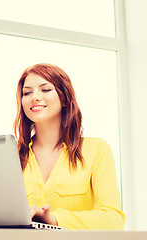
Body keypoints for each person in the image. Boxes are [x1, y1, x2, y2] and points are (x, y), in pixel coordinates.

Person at [13, 63, 125, 230]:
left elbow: (112, 219)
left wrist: (54, 220)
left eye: (45, 89)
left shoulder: (97, 150)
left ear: (64, 98)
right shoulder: (10, 154)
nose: (34, 97)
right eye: (27, 92)